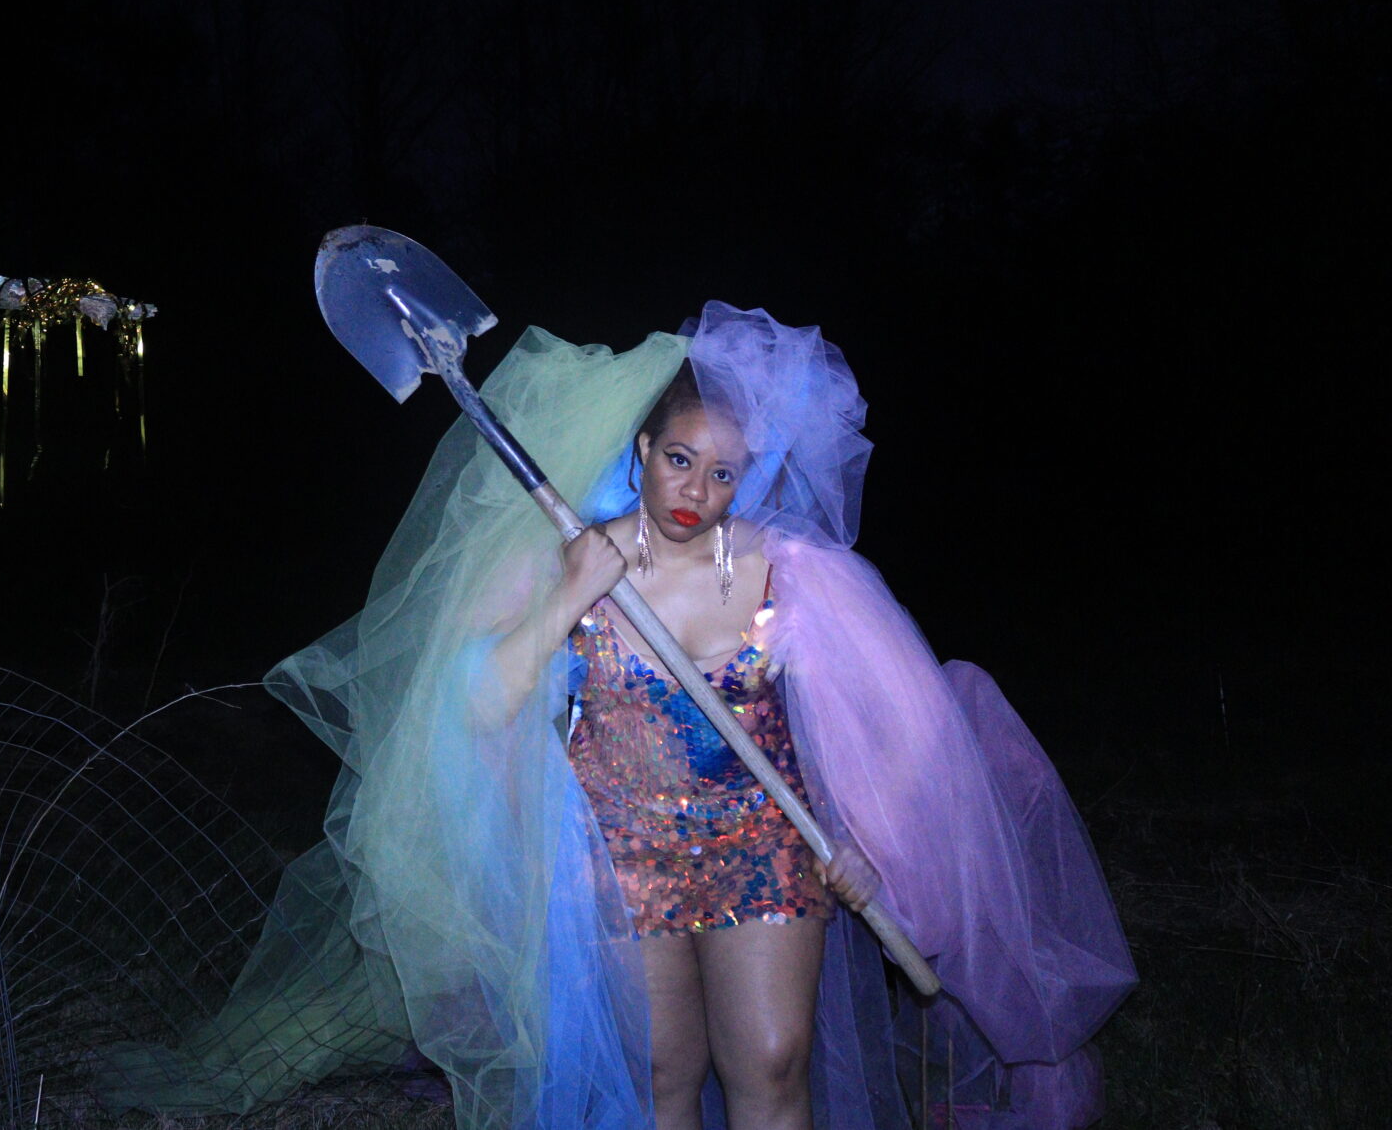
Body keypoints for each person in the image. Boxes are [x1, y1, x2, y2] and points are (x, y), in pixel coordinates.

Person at [99, 304, 1135, 1130]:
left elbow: (898, 742)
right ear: (641, 448)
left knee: (770, 1059)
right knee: (655, 1077)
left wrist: (859, 845)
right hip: (615, 858)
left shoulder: (797, 575)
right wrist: (563, 601)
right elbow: (474, 705)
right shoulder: (571, 556)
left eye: (722, 472)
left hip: (765, 849)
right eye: (677, 460)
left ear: (750, 478)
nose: (694, 490)